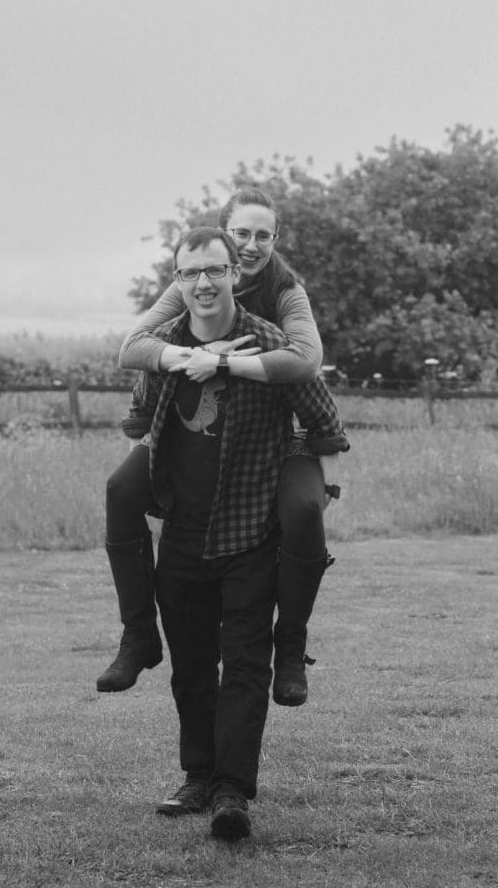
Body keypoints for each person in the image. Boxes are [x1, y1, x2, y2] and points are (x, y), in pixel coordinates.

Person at [135, 226, 347, 839]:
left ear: (235, 273)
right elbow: (136, 420)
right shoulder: (165, 346)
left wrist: (295, 463)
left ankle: (233, 791)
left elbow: (326, 420)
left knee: (246, 665)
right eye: (189, 273)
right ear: (177, 282)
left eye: (214, 270)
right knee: (192, 666)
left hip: (250, 532)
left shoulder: (272, 342)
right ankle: (197, 777)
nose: (203, 283)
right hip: (181, 536)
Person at [97, 187, 336, 707]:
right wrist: (196, 353)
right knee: (120, 490)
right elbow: (134, 346)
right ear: (223, 235)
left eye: (262, 235)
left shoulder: (287, 291)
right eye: (240, 234)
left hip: (273, 433)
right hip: (190, 431)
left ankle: (290, 643)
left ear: (276, 238)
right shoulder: (195, 279)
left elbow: (305, 361)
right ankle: (138, 633)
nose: (250, 246)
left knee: (302, 512)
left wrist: (225, 363)